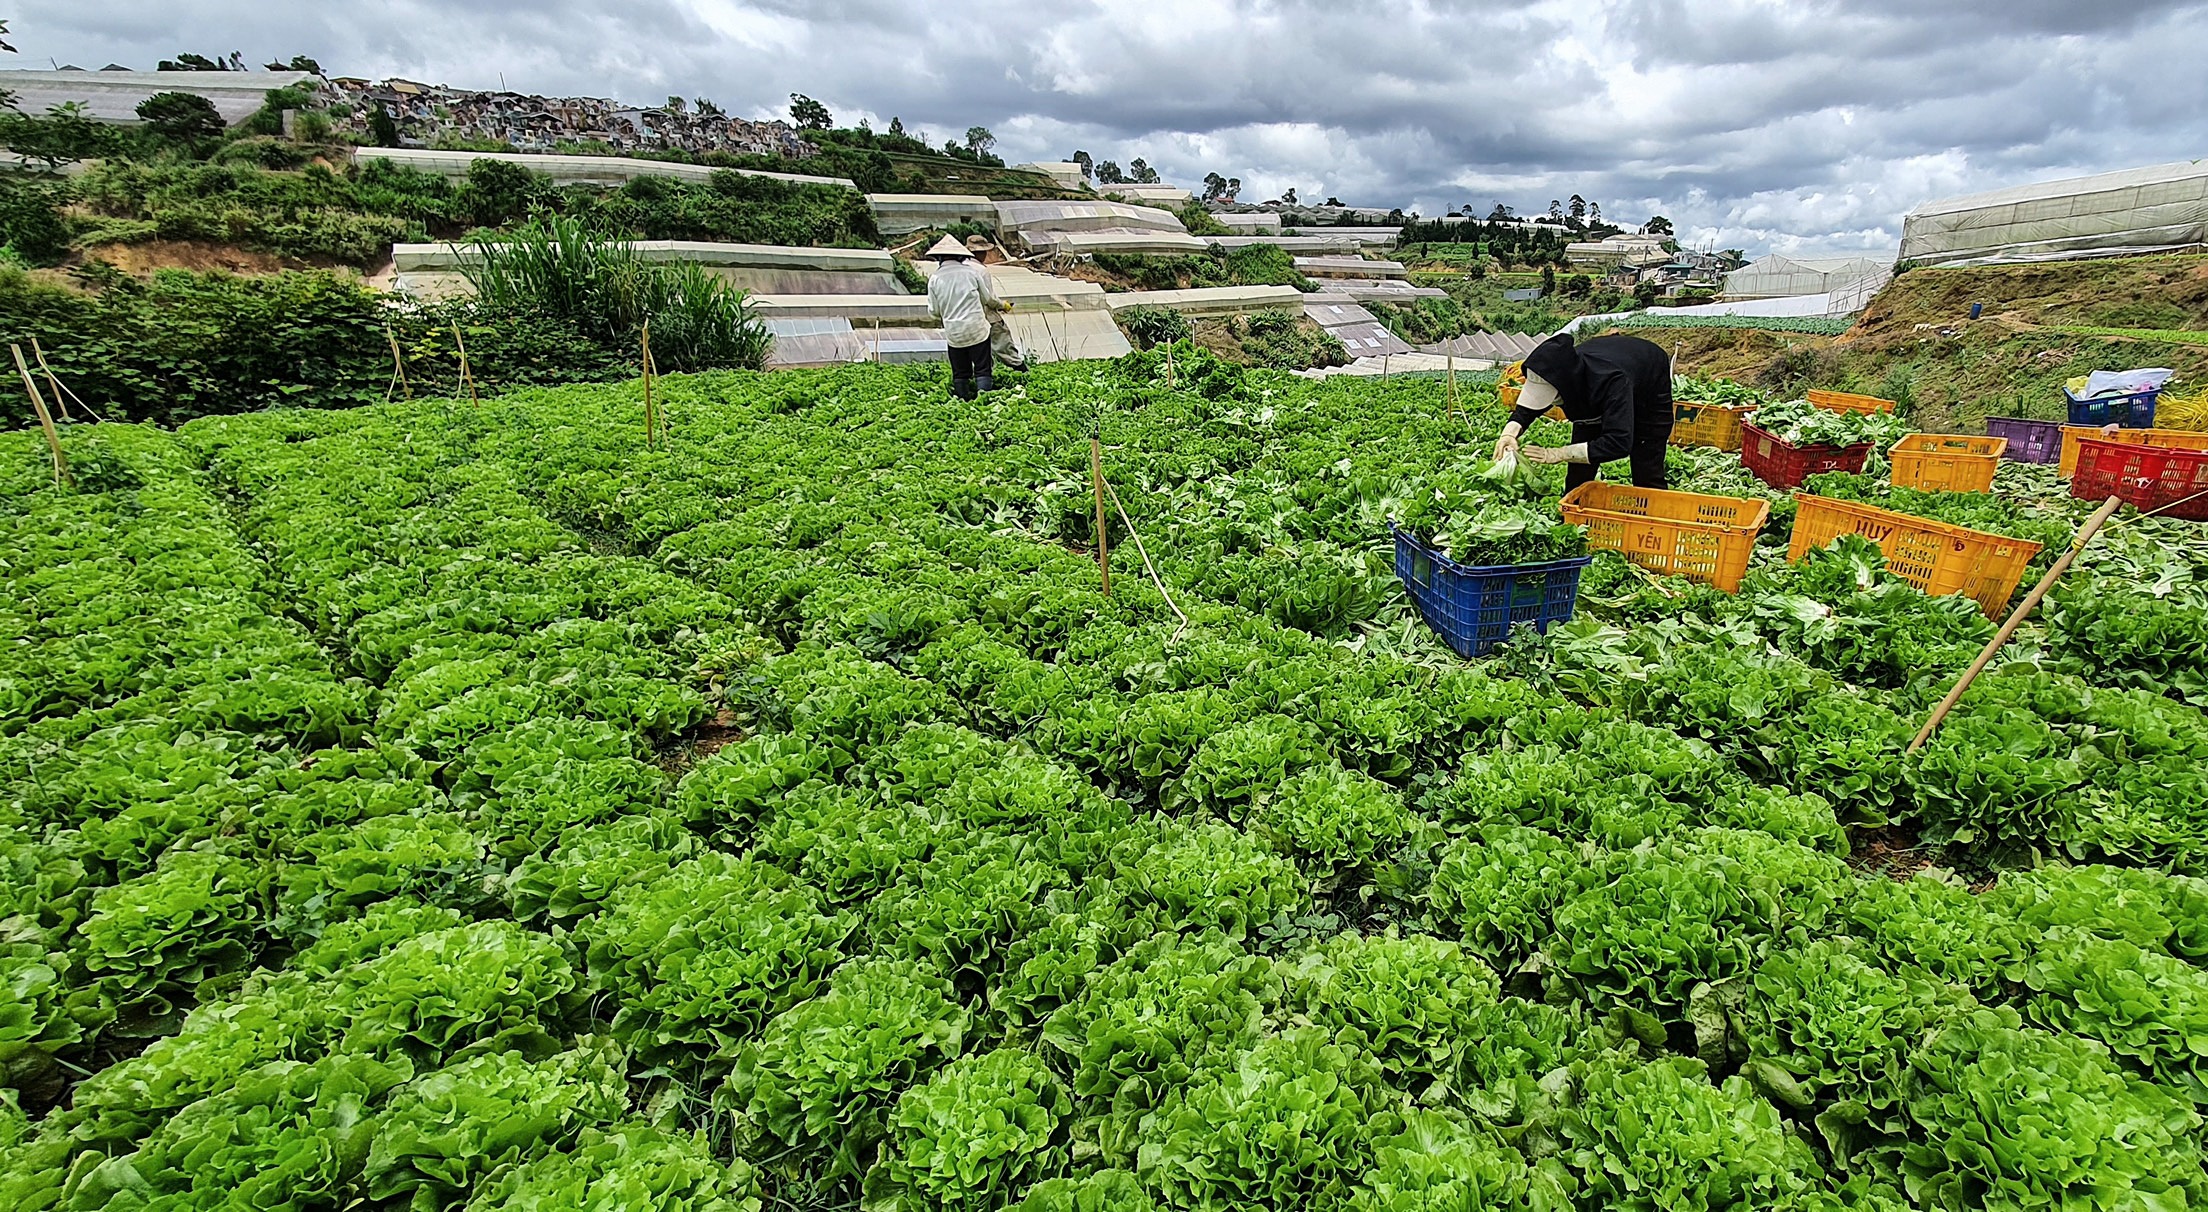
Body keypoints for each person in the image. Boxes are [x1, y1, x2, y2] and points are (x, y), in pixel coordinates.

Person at [1493, 332, 1675, 490]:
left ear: (1564, 385)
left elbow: (1619, 443)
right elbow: (1530, 407)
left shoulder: (1613, 381)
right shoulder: (1563, 369)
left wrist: (1559, 453)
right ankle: (1573, 512)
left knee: (1646, 463)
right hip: (1602, 372)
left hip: (1648, 382)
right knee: (1577, 476)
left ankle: (1653, 512)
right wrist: (1509, 433)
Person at [924, 235, 1011, 399]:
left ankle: (964, 402)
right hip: (977, 329)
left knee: (961, 373)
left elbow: (933, 312)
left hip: (954, 334)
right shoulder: (971, 273)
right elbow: (988, 299)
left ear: (939, 258)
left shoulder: (934, 279)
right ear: (961, 256)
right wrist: (1002, 305)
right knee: (982, 369)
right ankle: (983, 401)